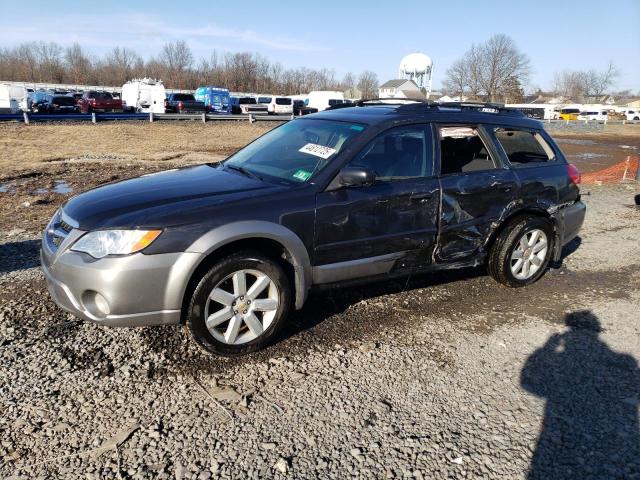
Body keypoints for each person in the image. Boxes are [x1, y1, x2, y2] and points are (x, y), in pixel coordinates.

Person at [521, 310, 639, 479]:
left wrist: (547, 349)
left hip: (553, 425)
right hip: (614, 434)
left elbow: (527, 383)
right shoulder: (624, 360)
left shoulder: (620, 359)